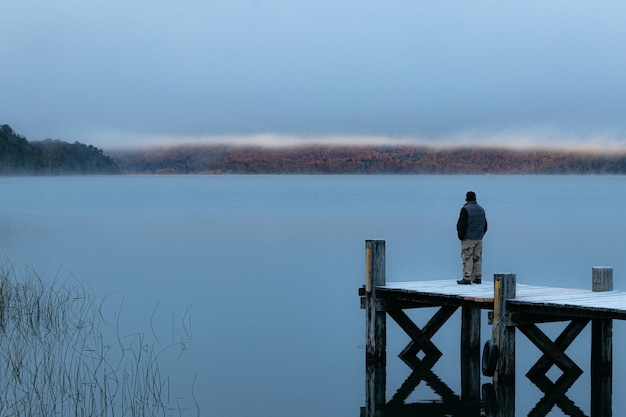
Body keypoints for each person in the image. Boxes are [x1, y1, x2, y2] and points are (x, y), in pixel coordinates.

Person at [456, 191, 487, 285]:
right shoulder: (481, 209)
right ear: (475, 198)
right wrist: (481, 234)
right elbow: (485, 225)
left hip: (468, 238)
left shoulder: (465, 209)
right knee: (477, 257)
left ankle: (467, 278)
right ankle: (478, 277)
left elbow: (461, 224)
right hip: (479, 238)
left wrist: (461, 236)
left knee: (467, 257)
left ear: (466, 198)